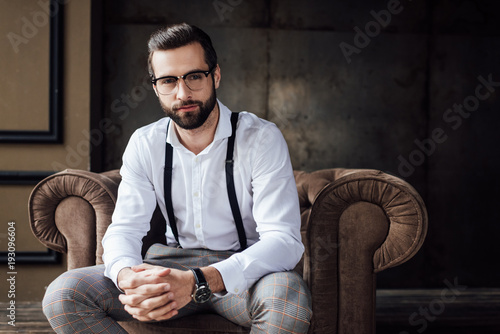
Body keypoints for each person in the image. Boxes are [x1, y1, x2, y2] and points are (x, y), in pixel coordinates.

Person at [43, 23, 312, 334]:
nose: (183, 93)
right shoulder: (145, 143)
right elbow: (125, 230)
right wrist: (128, 277)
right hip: (167, 267)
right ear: (156, 87)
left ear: (216, 76)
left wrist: (199, 279)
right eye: (169, 80)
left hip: (245, 274)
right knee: (64, 294)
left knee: (288, 301)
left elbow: (285, 241)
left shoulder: (261, 138)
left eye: (194, 77)